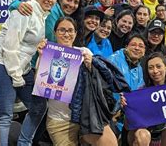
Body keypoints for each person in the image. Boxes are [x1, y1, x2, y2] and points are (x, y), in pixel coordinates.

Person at [0, 0, 58, 146]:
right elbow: (10, 47)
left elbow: (26, 44)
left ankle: (24, 143)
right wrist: (17, 76)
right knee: (4, 115)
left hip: (20, 67)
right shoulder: (26, 10)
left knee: (39, 107)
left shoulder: (42, 16)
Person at [45, 17, 119, 146]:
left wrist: (92, 66)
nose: (66, 34)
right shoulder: (48, 52)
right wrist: (42, 56)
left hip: (87, 116)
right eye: (62, 30)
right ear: (55, 32)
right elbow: (40, 87)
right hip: (59, 121)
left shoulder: (84, 52)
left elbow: (104, 82)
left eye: (70, 30)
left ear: (75, 33)